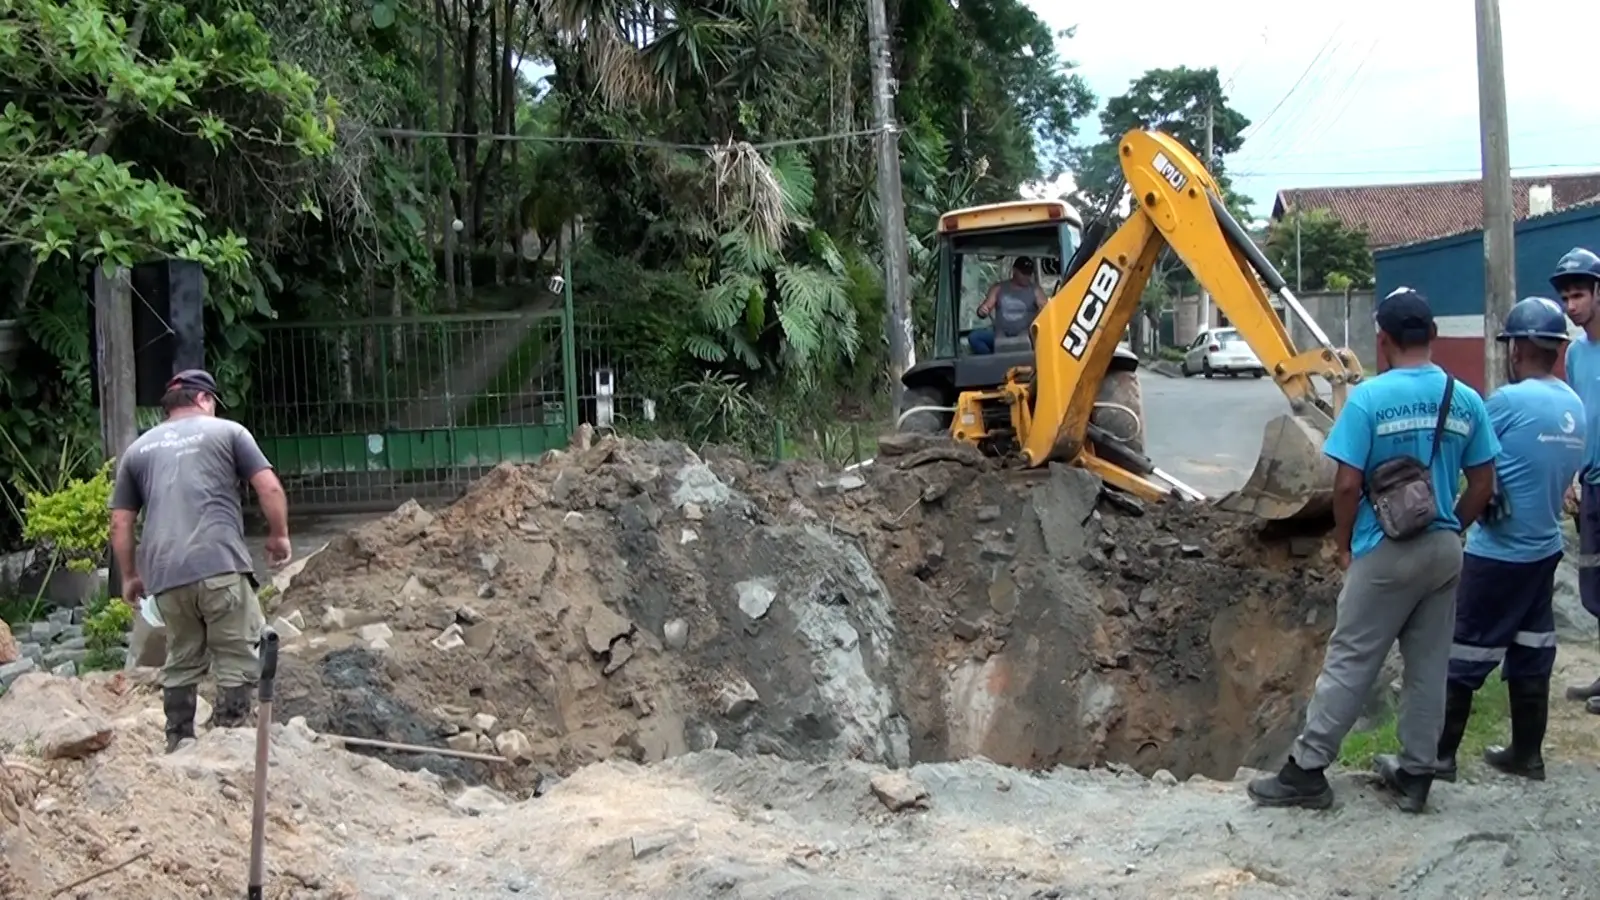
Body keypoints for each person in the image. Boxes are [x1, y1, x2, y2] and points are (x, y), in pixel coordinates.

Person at [1246, 287, 1498, 813]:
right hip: (1443, 551)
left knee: (1351, 659)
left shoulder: (1368, 399)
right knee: (1428, 664)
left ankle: (1307, 772)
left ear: (1382, 340)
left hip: (1384, 549)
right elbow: (1482, 484)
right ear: (1431, 336)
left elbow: (1344, 485)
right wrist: (1455, 530)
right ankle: (1416, 773)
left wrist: (1344, 546)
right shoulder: (1465, 398)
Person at [1435, 297, 1585, 783]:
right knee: (1532, 649)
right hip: (1545, 548)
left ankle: (1438, 758)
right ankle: (1528, 755)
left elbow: (1466, 459)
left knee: (1463, 652)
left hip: (1497, 553)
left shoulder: (1504, 402)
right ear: (1559, 349)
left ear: (1517, 348)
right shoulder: (1574, 406)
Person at [108, 369, 293, 753]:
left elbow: (120, 521)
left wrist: (129, 576)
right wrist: (278, 535)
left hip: (166, 578)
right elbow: (269, 486)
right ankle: (230, 739)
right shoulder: (229, 432)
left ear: (169, 407)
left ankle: (179, 740)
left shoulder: (138, 449)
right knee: (237, 652)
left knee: (181, 656)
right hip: (220, 565)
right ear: (205, 400)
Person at [1553, 247, 1600, 715]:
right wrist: (1571, 474)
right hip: (1592, 482)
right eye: (1567, 297)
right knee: (1594, 581)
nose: (1572, 306)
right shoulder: (1574, 356)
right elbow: (1576, 417)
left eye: (1580, 295)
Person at [968, 256, 1047, 354]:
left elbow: (1046, 309)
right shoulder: (999, 288)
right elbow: (985, 308)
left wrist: (1042, 309)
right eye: (1023, 273)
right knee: (975, 337)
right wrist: (982, 311)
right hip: (1000, 334)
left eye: (1029, 274)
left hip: (1026, 335)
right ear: (1014, 271)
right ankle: (991, 361)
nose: (1027, 277)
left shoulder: (1036, 290)